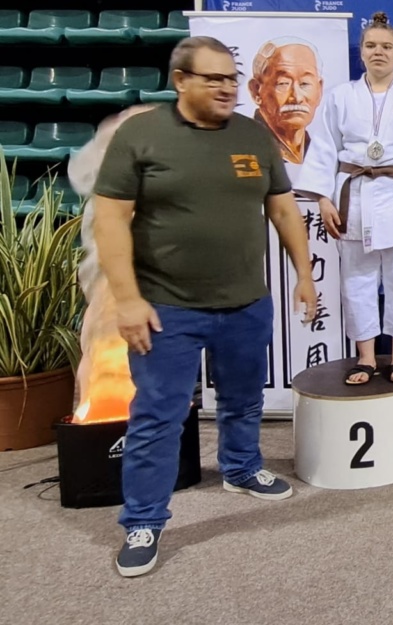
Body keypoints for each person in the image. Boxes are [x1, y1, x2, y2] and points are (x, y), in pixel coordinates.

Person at [92, 36, 317, 578]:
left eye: (231, 79)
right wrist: (125, 299)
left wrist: (305, 275)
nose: (225, 88)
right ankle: (143, 520)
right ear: (180, 81)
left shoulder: (252, 136)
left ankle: (242, 468)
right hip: (165, 309)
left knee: (243, 401)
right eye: (212, 78)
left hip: (245, 303)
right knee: (158, 416)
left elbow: (284, 213)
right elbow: (109, 220)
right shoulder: (140, 135)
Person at [295, 12, 393, 384]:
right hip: (353, 199)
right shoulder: (340, 98)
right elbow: (323, 151)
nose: (378, 52)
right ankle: (365, 357)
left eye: (386, 46)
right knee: (356, 282)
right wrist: (323, 198)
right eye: (370, 46)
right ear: (361, 54)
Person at [248, 37, 325, 165]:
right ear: (256, 91)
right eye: (283, 83)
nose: (297, 97)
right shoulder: (246, 147)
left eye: (305, 84)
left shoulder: (321, 153)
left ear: (319, 90)